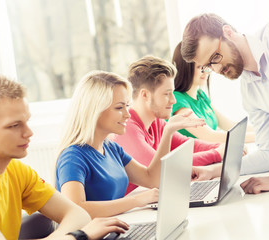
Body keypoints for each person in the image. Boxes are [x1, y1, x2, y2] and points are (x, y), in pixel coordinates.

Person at [181, 13, 269, 194]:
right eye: (208, 66)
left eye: (215, 57)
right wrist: (215, 170)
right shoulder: (250, 92)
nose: (216, 69)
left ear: (228, 32)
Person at [0, 75, 129, 240]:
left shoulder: (17, 171)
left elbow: (79, 215)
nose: (29, 133)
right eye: (14, 125)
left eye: (27, 122)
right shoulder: (73, 154)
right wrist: (79, 236)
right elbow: (81, 225)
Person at [55, 70, 207, 218]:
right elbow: (76, 210)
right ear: (95, 110)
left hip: (116, 227)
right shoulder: (73, 157)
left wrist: (168, 132)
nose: (128, 114)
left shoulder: (111, 148)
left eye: (127, 106)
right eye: (119, 107)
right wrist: (137, 201)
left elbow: (152, 179)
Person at [114, 55, 225, 195]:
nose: (173, 100)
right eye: (167, 94)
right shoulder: (127, 128)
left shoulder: (157, 122)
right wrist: (216, 154)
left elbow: (188, 145)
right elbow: (163, 168)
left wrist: (221, 148)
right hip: (128, 212)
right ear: (145, 95)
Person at [172, 41, 255, 143]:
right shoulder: (176, 100)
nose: (206, 72)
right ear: (185, 68)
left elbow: (231, 126)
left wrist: (264, 131)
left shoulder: (201, 96)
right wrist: (260, 138)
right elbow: (210, 136)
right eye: (200, 67)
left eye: (207, 66)